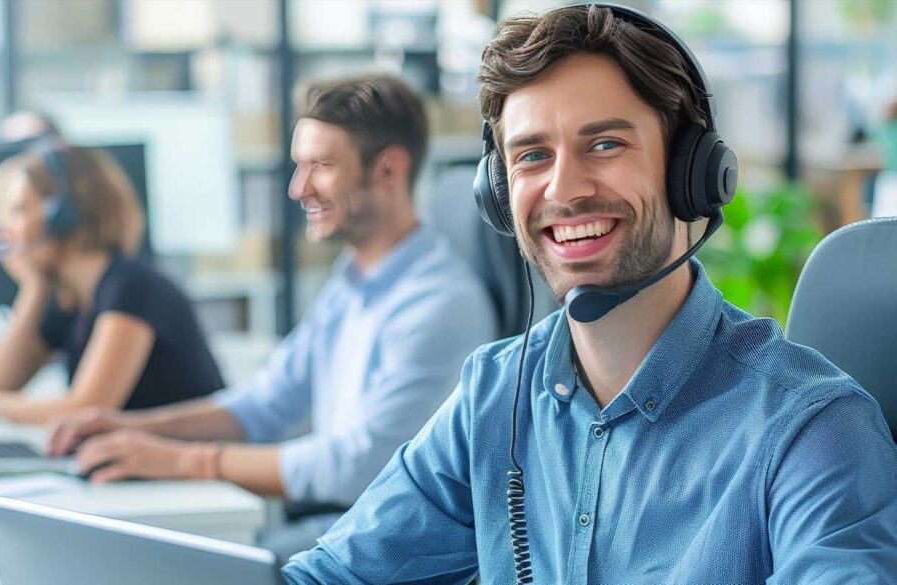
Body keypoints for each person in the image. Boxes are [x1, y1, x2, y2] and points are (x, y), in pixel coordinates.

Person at [283, 5, 897, 583]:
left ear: (692, 172)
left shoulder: (809, 429)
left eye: (605, 144)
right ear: (497, 193)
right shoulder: (495, 397)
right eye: (531, 156)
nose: (564, 188)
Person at [44, 75, 498, 562]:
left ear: (387, 170)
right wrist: (131, 427)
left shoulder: (439, 302)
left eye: (320, 166)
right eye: (298, 166)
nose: (297, 188)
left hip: (378, 550)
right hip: (331, 529)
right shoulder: (355, 280)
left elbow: (359, 464)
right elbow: (265, 403)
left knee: (155, 563)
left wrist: (178, 460)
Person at [0, 142, 225, 425]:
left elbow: (85, 410)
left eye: (19, 210)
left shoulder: (133, 287)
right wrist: (34, 288)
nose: (6, 231)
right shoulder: (70, 299)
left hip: (196, 484)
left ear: (64, 214)